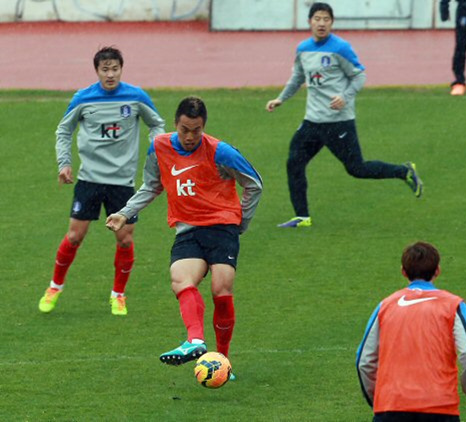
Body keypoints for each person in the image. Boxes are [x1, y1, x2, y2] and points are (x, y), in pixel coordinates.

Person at [106, 96, 262, 369]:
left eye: (196, 130)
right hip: (188, 229)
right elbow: (152, 186)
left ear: (204, 126)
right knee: (180, 280)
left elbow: (254, 184)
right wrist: (125, 212)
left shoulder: (220, 151)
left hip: (222, 227)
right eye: (185, 129)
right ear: (176, 123)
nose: (190, 136)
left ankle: (222, 360)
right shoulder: (159, 147)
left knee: (220, 289)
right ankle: (195, 341)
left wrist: (242, 222)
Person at [265, 2, 423, 228]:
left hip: (339, 123)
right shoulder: (303, 49)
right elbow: (298, 77)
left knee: (357, 169)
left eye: (326, 19)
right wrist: (281, 98)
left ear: (332, 23)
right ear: (310, 21)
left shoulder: (341, 48)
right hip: (312, 122)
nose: (321, 23)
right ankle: (302, 217)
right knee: (294, 162)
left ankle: (404, 172)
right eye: (317, 18)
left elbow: (359, 76)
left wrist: (345, 97)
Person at [38, 46, 165, 316]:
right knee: (74, 236)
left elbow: (157, 124)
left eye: (115, 68)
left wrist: (155, 146)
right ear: (97, 71)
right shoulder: (83, 99)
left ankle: (118, 294)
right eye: (105, 69)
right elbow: (63, 130)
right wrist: (64, 163)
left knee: (125, 240)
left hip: (122, 182)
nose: (110, 74)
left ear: (121, 68)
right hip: (90, 179)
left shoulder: (136, 96)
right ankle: (55, 287)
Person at [357, 241, 466, 421]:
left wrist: (380, 402)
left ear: (403, 271)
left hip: (390, 407)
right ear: (437, 270)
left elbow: (364, 361)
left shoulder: (385, 306)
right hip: (440, 409)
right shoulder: (453, 305)